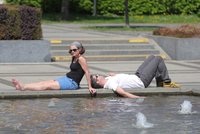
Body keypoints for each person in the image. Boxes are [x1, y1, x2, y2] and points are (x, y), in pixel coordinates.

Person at [12, 41, 96, 96]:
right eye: (70, 51)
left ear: (80, 49)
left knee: (46, 86)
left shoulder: (81, 59)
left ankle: (23, 87)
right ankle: (23, 86)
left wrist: (90, 87)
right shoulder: (74, 57)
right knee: (44, 82)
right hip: (67, 78)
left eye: (74, 50)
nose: (72, 52)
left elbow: (87, 72)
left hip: (72, 83)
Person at [90, 55, 180, 98]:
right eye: (96, 76)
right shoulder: (110, 84)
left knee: (151, 57)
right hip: (141, 81)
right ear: (98, 82)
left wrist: (115, 75)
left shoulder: (108, 79)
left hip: (137, 75)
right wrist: (137, 98)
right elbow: (123, 93)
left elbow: (121, 80)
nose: (98, 75)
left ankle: (161, 84)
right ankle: (166, 82)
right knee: (158, 59)